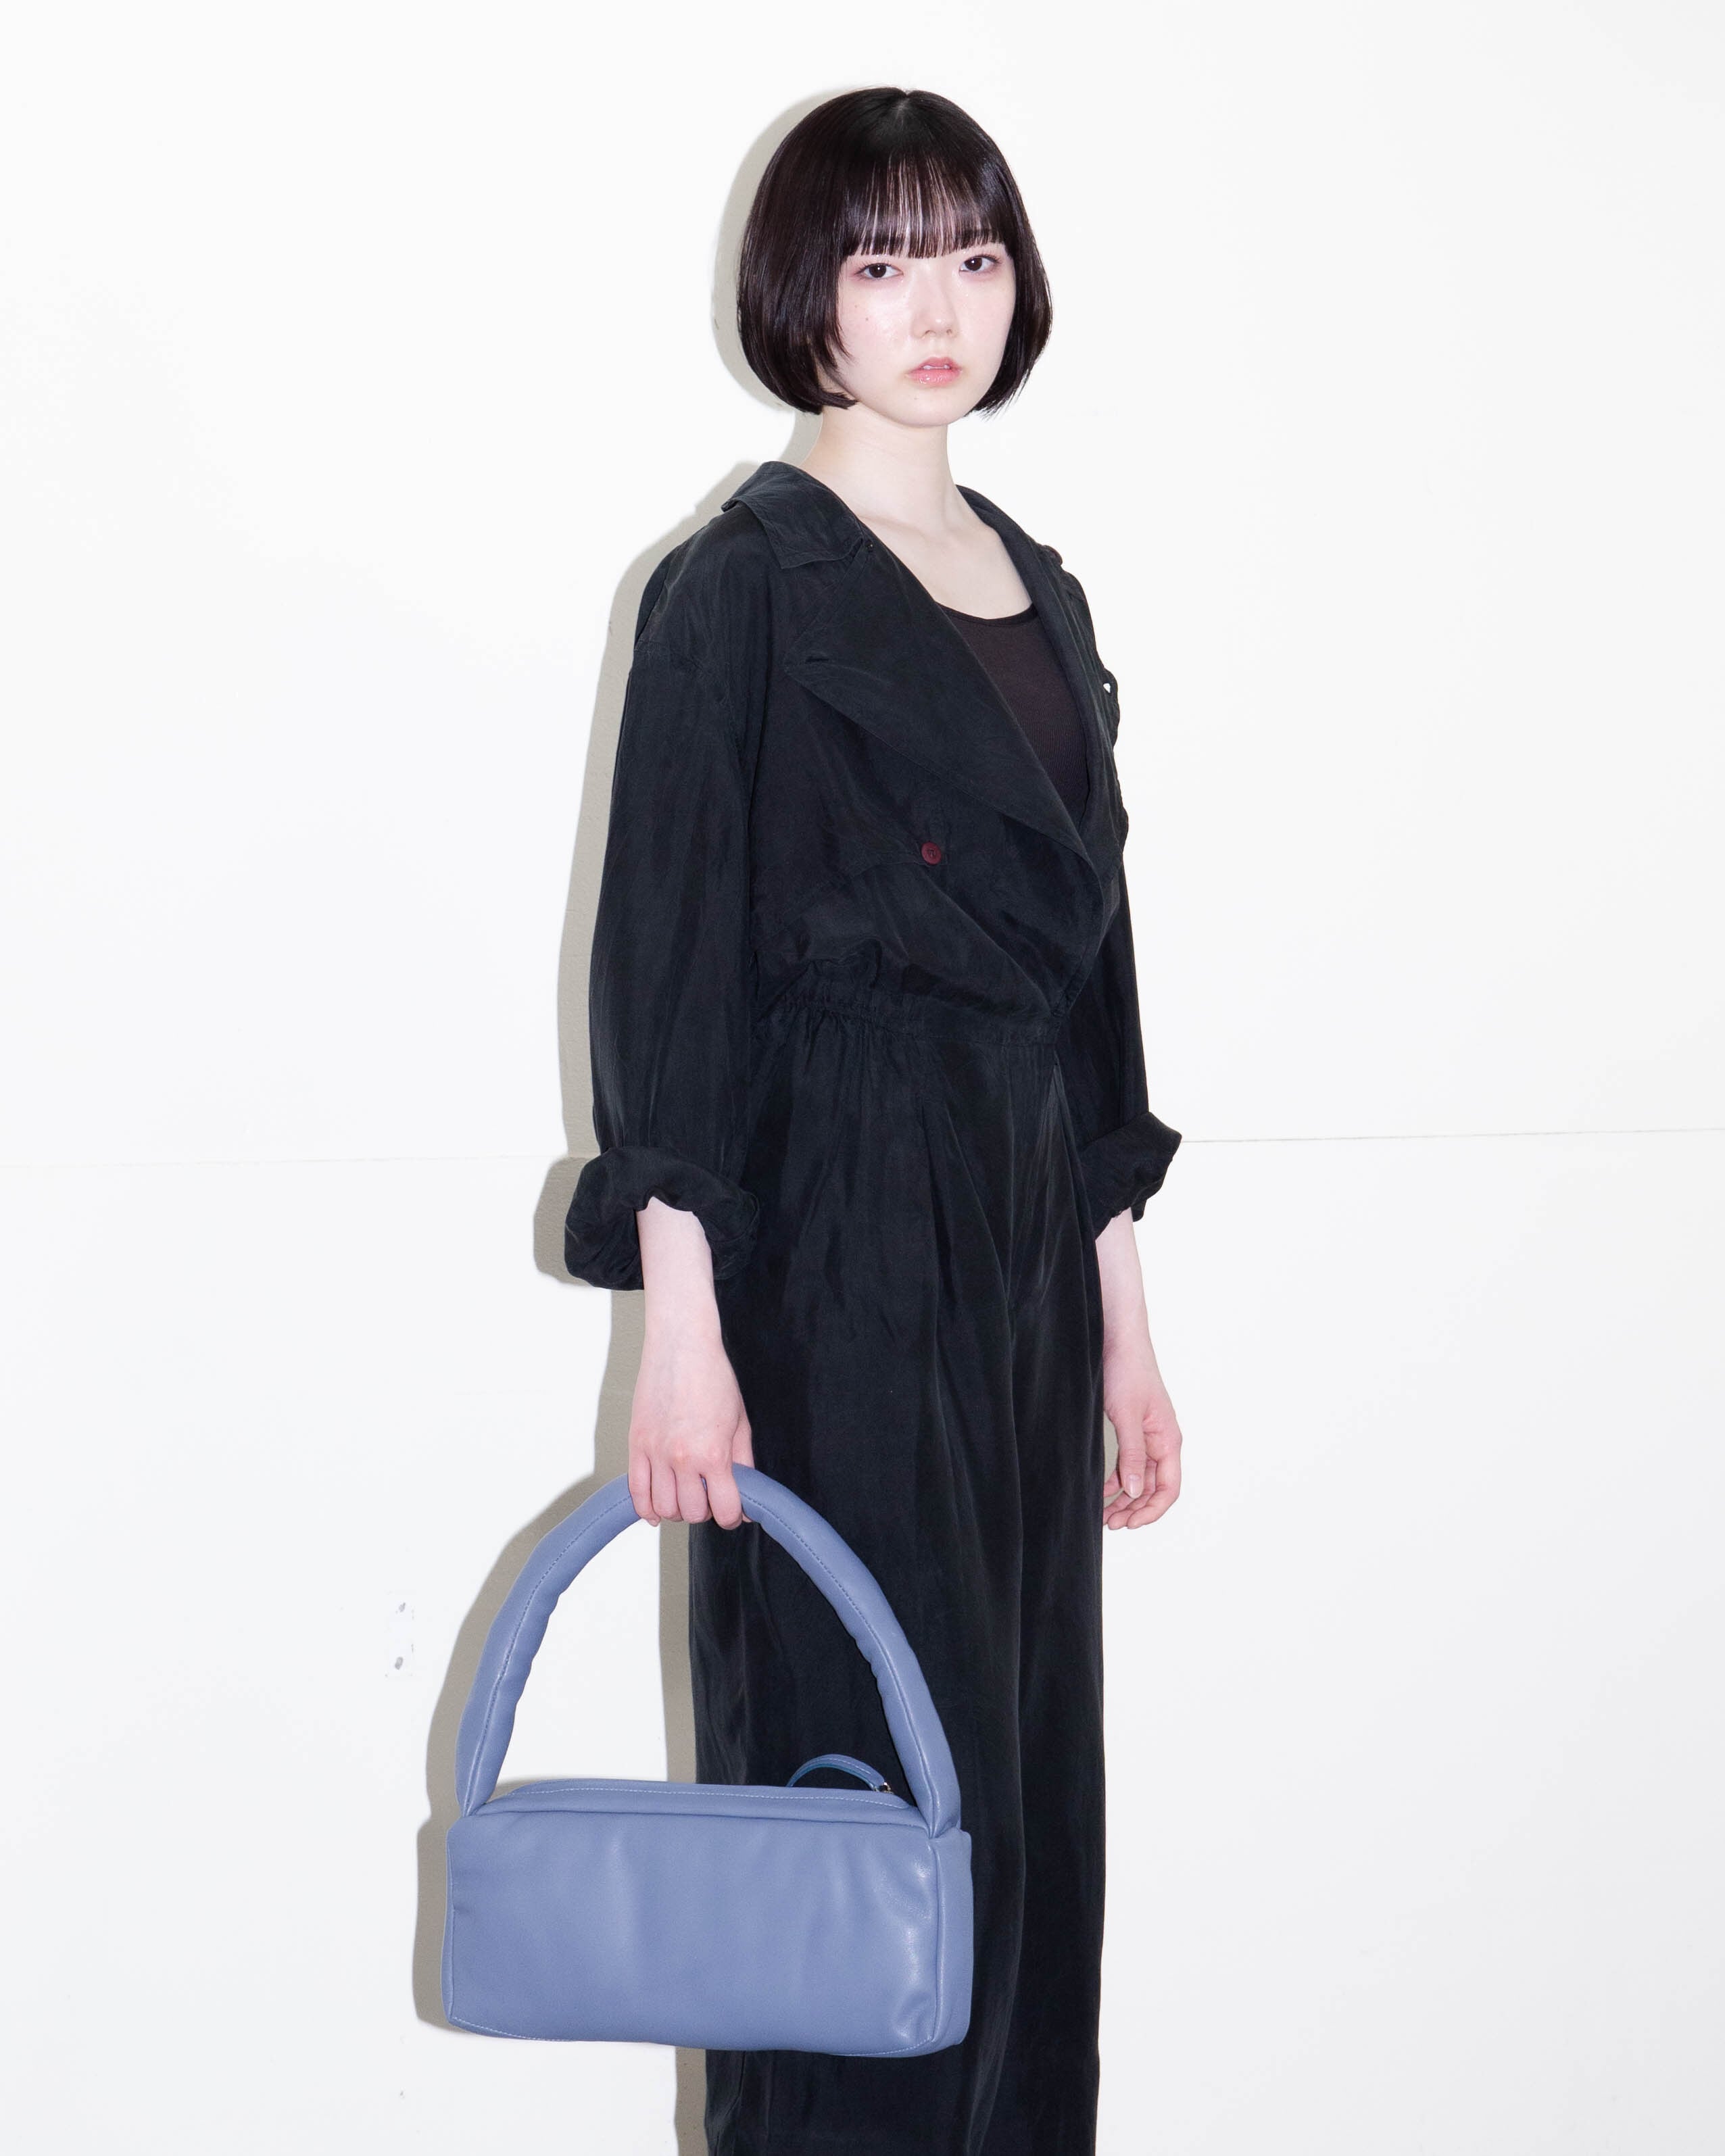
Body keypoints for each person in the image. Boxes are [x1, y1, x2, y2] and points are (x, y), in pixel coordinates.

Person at [563, 85, 1186, 2156]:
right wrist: (682, 1327)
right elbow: (669, 973)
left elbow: (1090, 986)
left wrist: (1124, 1324)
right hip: (829, 1244)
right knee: (854, 1815)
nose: (940, 307)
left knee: (1021, 1805)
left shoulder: (1044, 590)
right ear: (804, 295)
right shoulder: (738, 590)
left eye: (976, 256)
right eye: (886, 259)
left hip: (1023, 1254)